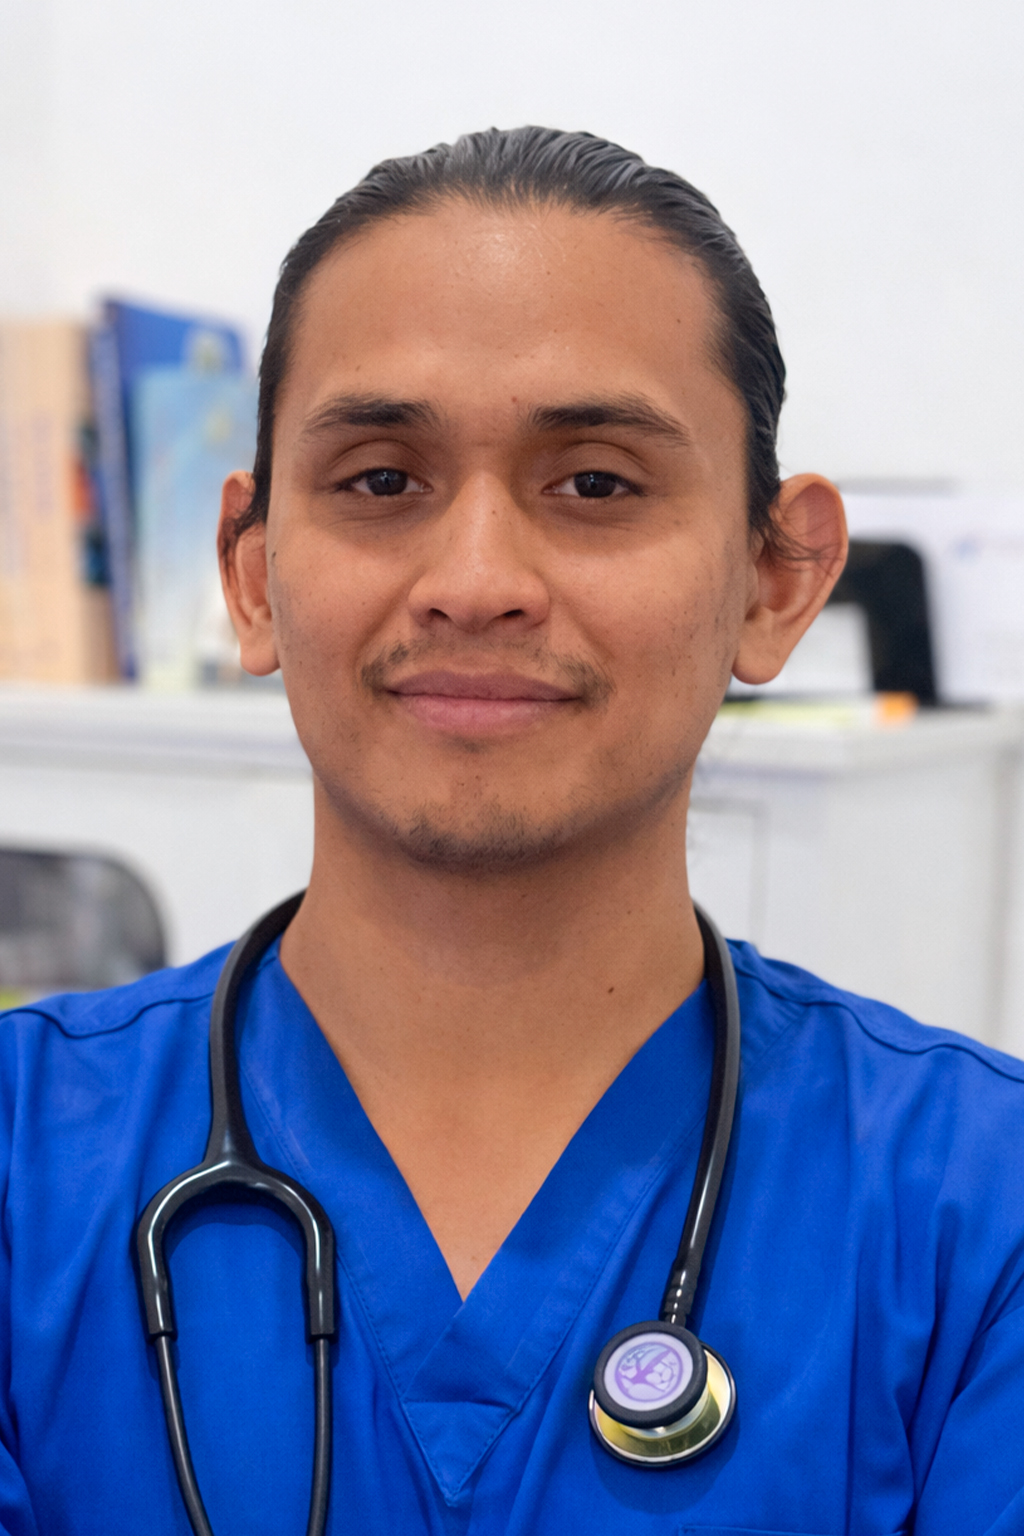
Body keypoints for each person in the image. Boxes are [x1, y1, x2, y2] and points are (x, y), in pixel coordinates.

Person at [2, 128, 1022, 1536]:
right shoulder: (22, 1167)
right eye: (381, 480)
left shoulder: (980, 1213)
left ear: (775, 579)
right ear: (251, 574)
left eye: (595, 483)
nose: (476, 581)